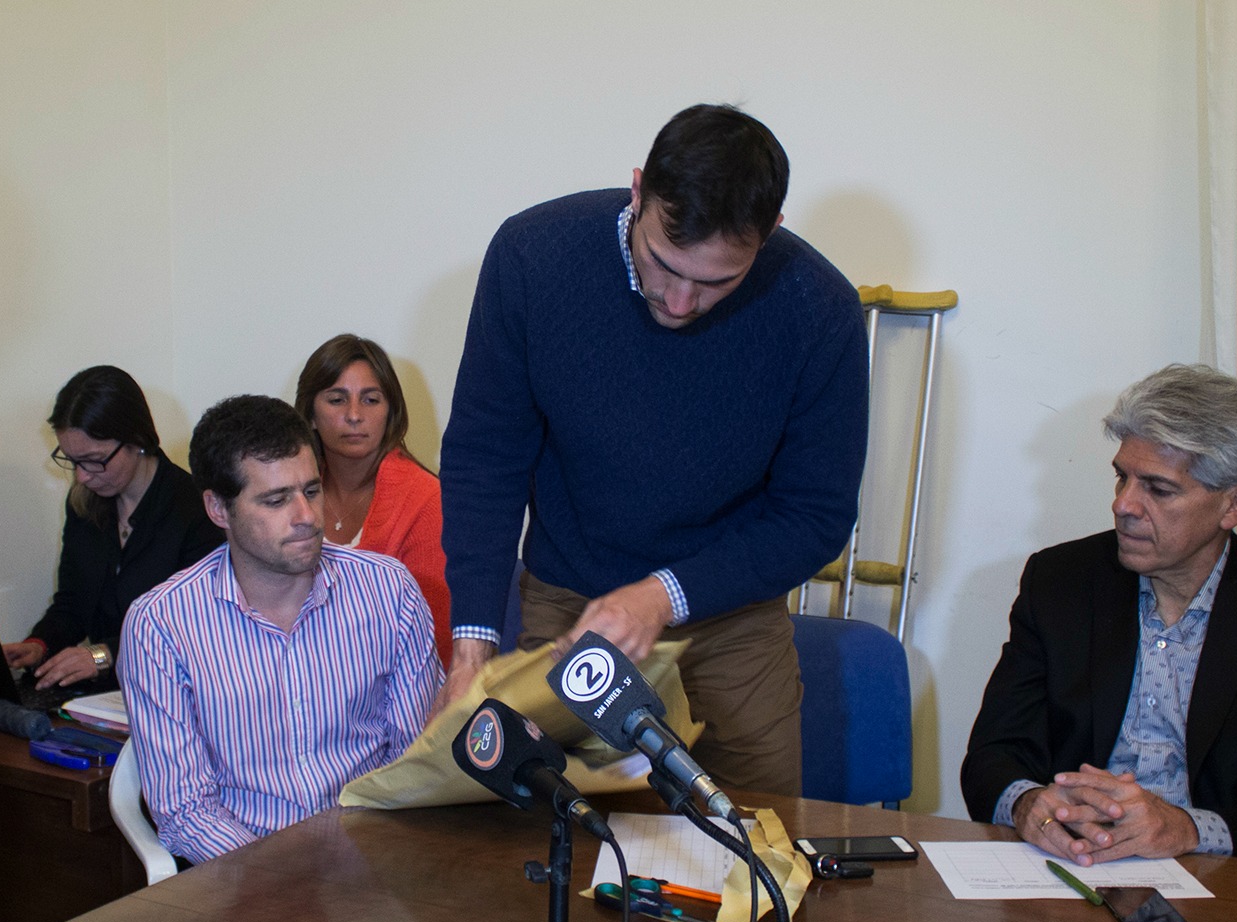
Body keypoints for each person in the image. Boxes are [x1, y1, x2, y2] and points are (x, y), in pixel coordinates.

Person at [438, 104, 868, 795]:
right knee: (548, 824)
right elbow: (486, 458)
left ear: (769, 234)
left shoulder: (819, 310)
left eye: (717, 281)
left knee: (754, 834)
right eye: (662, 265)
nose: (680, 301)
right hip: (570, 605)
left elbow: (815, 516)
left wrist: (662, 595)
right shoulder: (533, 257)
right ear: (638, 192)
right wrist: (472, 643)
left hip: (730, 617)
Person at [961, 365, 1237, 870]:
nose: (1123, 504)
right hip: (1070, 866)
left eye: (1158, 489)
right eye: (1122, 477)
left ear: (1235, 504)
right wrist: (1027, 804)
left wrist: (1184, 828)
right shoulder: (1060, 582)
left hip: (1222, 882)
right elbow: (992, 755)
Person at [123, 395, 440, 863]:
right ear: (218, 508)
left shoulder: (388, 591)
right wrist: (281, 880)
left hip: (374, 862)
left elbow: (415, 763)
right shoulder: (161, 625)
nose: (306, 517)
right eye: (276, 500)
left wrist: (376, 863)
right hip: (246, 874)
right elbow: (185, 810)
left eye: (311, 491)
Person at [1, 366, 221, 690]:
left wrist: (104, 655)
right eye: (73, 460)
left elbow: (196, 625)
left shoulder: (196, 510)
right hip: (102, 697)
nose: (82, 476)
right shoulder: (84, 504)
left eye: (94, 459)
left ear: (137, 440)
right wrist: (40, 644)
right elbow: (73, 604)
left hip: (169, 690)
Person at [293, 333, 451, 666]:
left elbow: (434, 640)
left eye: (370, 400)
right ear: (310, 415)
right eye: (337, 399)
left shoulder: (427, 501)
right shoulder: (287, 493)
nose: (354, 415)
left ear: (390, 412)